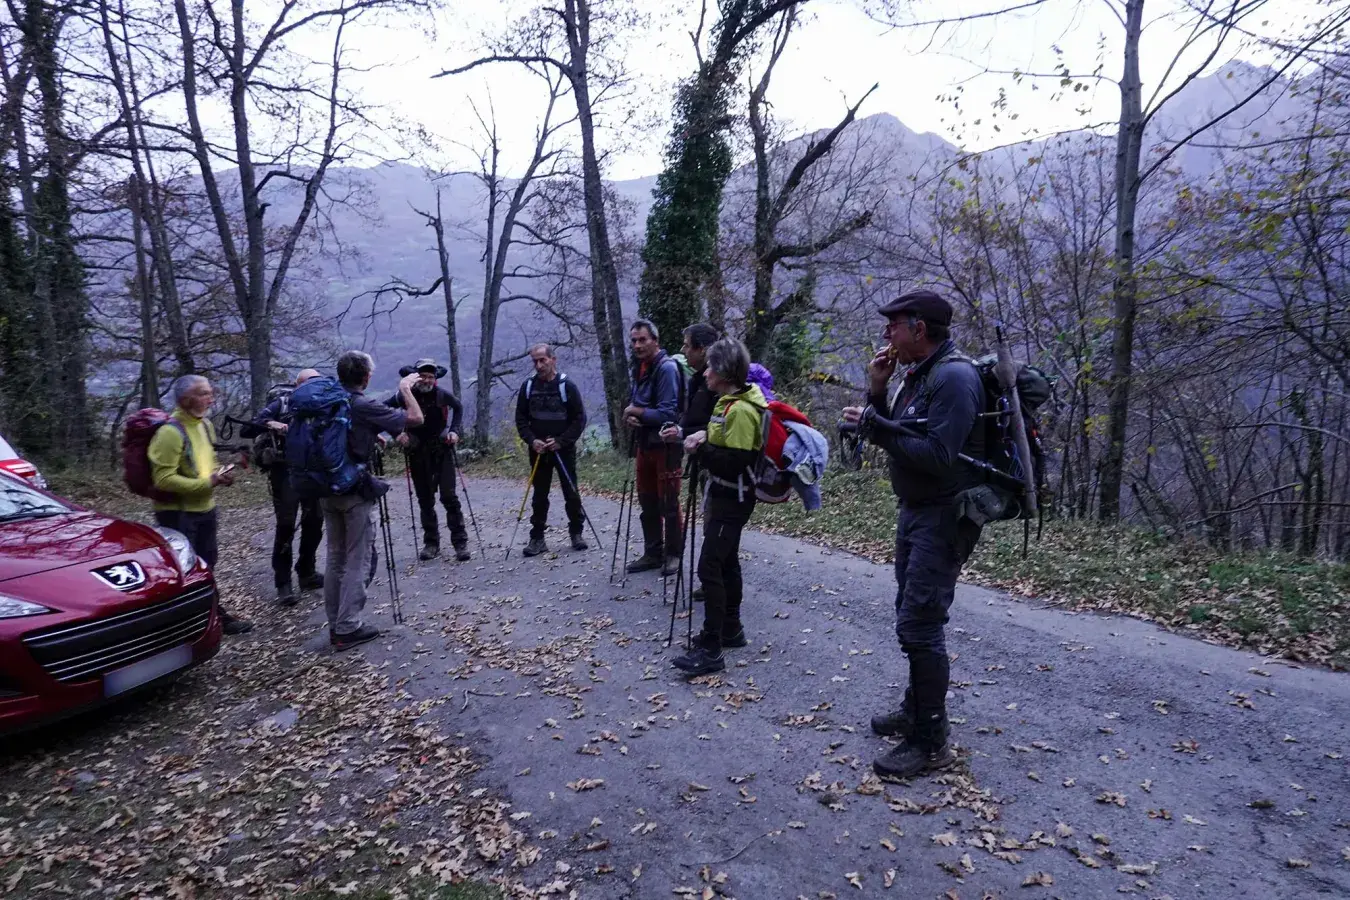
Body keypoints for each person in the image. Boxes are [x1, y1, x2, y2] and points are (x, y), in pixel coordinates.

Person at [842, 288, 986, 781]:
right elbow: (899, 433)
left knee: (920, 623)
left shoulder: (954, 378)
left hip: (944, 516)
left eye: (893, 325)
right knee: (911, 612)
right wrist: (877, 391)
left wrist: (876, 425)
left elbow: (940, 456)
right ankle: (915, 708)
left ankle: (930, 741)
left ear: (919, 329)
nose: (886, 334)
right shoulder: (919, 374)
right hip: (916, 511)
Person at [672, 339, 766, 676]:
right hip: (727, 494)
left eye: (711, 366)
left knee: (709, 566)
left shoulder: (739, 410)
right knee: (726, 562)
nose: (705, 372)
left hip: (732, 498)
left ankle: (712, 649)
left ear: (724, 372)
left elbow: (737, 462)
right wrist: (704, 437)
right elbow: (726, 444)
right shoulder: (730, 402)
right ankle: (730, 629)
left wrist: (699, 450)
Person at [322, 351, 424, 650]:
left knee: (335, 557)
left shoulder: (329, 401)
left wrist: (371, 433)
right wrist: (405, 389)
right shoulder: (362, 404)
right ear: (366, 377)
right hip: (354, 490)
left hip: (326, 487)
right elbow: (415, 418)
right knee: (358, 557)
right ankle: (348, 627)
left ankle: (335, 624)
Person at [148, 375, 252, 635]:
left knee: (207, 566)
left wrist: (220, 475)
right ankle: (188, 624)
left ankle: (209, 616)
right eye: (204, 394)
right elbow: (163, 479)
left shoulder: (205, 425)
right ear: (186, 400)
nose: (211, 399)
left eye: (210, 393)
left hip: (205, 509)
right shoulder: (169, 433)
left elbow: (208, 463)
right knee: (185, 572)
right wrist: (207, 483)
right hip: (178, 515)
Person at [250, 368, 324, 606]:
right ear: (297, 385)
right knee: (286, 525)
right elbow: (250, 427)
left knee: (315, 521)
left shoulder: (321, 403)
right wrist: (272, 424)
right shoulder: (281, 404)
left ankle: (307, 572)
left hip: (312, 471)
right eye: (309, 382)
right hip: (284, 471)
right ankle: (283, 583)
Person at [386, 358, 470, 562]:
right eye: (423, 376)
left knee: (449, 497)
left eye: (430, 377)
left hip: (442, 450)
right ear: (415, 377)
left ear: (435, 378)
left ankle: (460, 543)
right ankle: (431, 544)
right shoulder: (405, 395)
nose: (427, 380)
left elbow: (458, 408)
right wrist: (397, 433)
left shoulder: (442, 395)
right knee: (425, 499)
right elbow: (383, 410)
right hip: (417, 452)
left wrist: (454, 431)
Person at [514, 343, 588, 556]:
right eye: (535, 361)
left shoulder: (567, 386)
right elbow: (521, 418)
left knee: (571, 492)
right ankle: (537, 538)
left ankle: (576, 533)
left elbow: (579, 418)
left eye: (542, 360)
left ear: (552, 360)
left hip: (563, 449)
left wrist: (562, 441)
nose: (538, 365)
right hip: (538, 450)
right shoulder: (528, 386)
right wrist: (532, 440)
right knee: (539, 494)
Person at [623, 319, 684, 576]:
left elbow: (668, 413)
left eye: (642, 340)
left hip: (666, 446)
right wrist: (632, 417)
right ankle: (653, 553)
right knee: (647, 501)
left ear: (655, 341)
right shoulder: (642, 367)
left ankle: (673, 555)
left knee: (668, 502)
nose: (637, 345)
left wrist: (635, 411)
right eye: (634, 340)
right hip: (645, 443)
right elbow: (640, 405)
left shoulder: (666, 368)